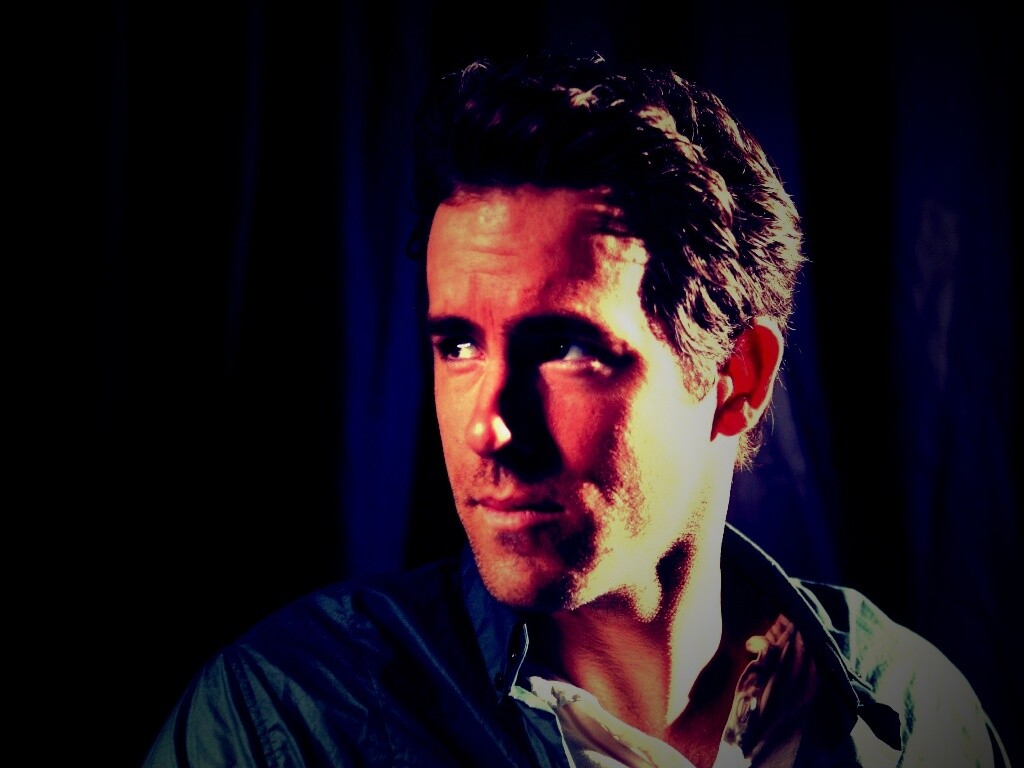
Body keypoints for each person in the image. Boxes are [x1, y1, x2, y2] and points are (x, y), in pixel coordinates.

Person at [141, 50, 1011, 768]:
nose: (488, 427)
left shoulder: (914, 716)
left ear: (737, 379)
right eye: (458, 345)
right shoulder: (285, 723)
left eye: (566, 348)